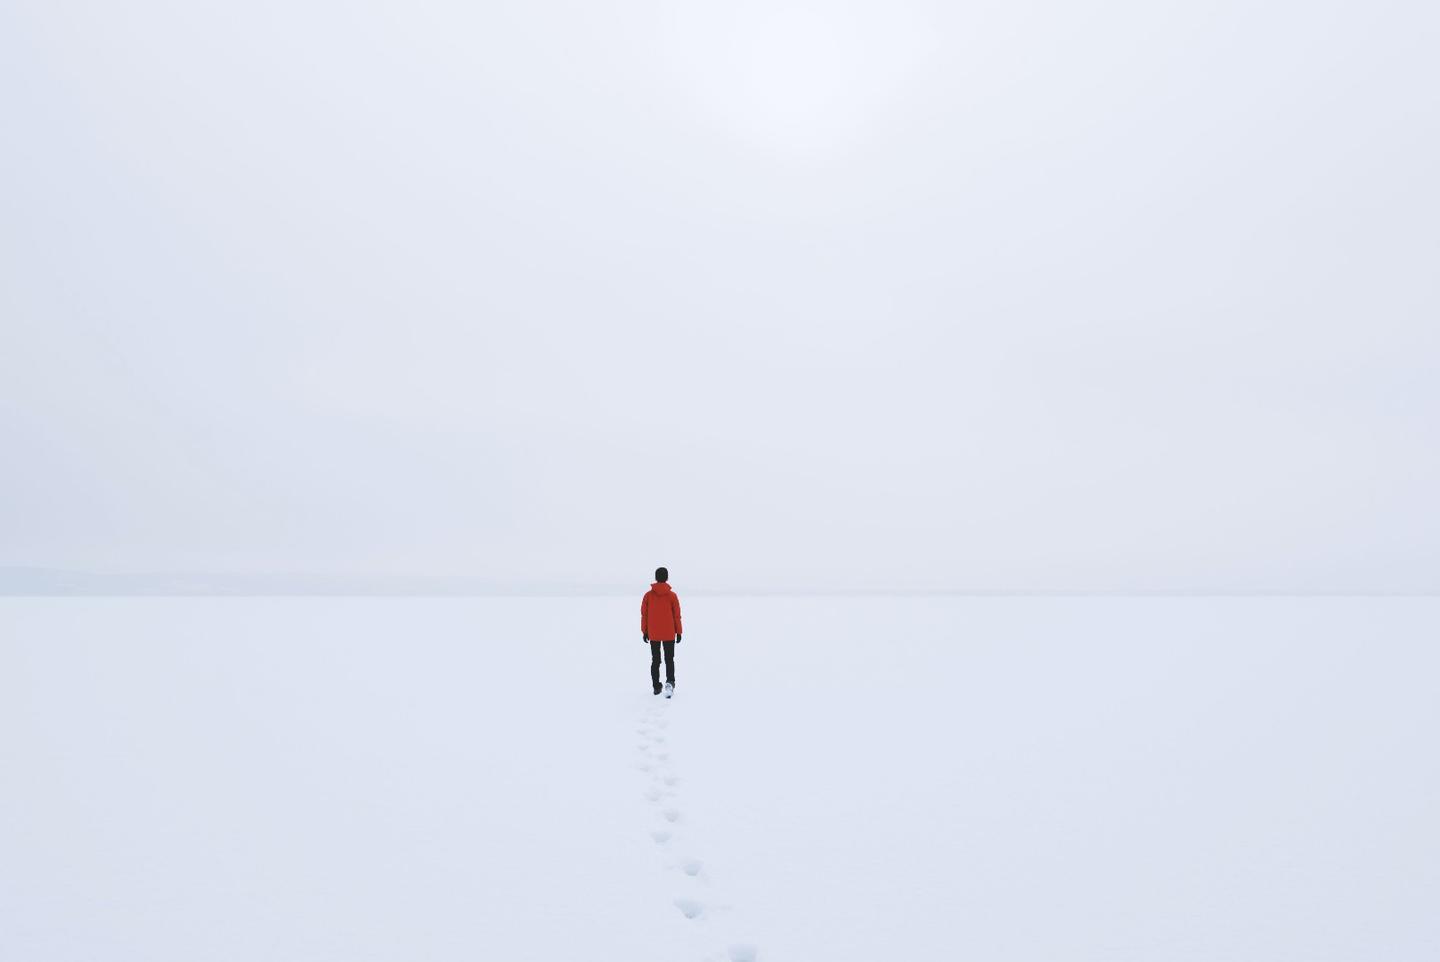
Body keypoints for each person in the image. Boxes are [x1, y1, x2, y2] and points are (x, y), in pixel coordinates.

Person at [641, 567, 682, 697]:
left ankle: (656, 686)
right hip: (669, 632)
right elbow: (677, 615)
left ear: (656, 577)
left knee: (656, 660)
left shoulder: (648, 596)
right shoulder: (672, 596)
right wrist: (679, 631)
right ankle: (669, 684)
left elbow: (644, 615)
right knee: (669, 659)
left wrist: (645, 631)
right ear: (667, 578)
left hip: (653, 633)